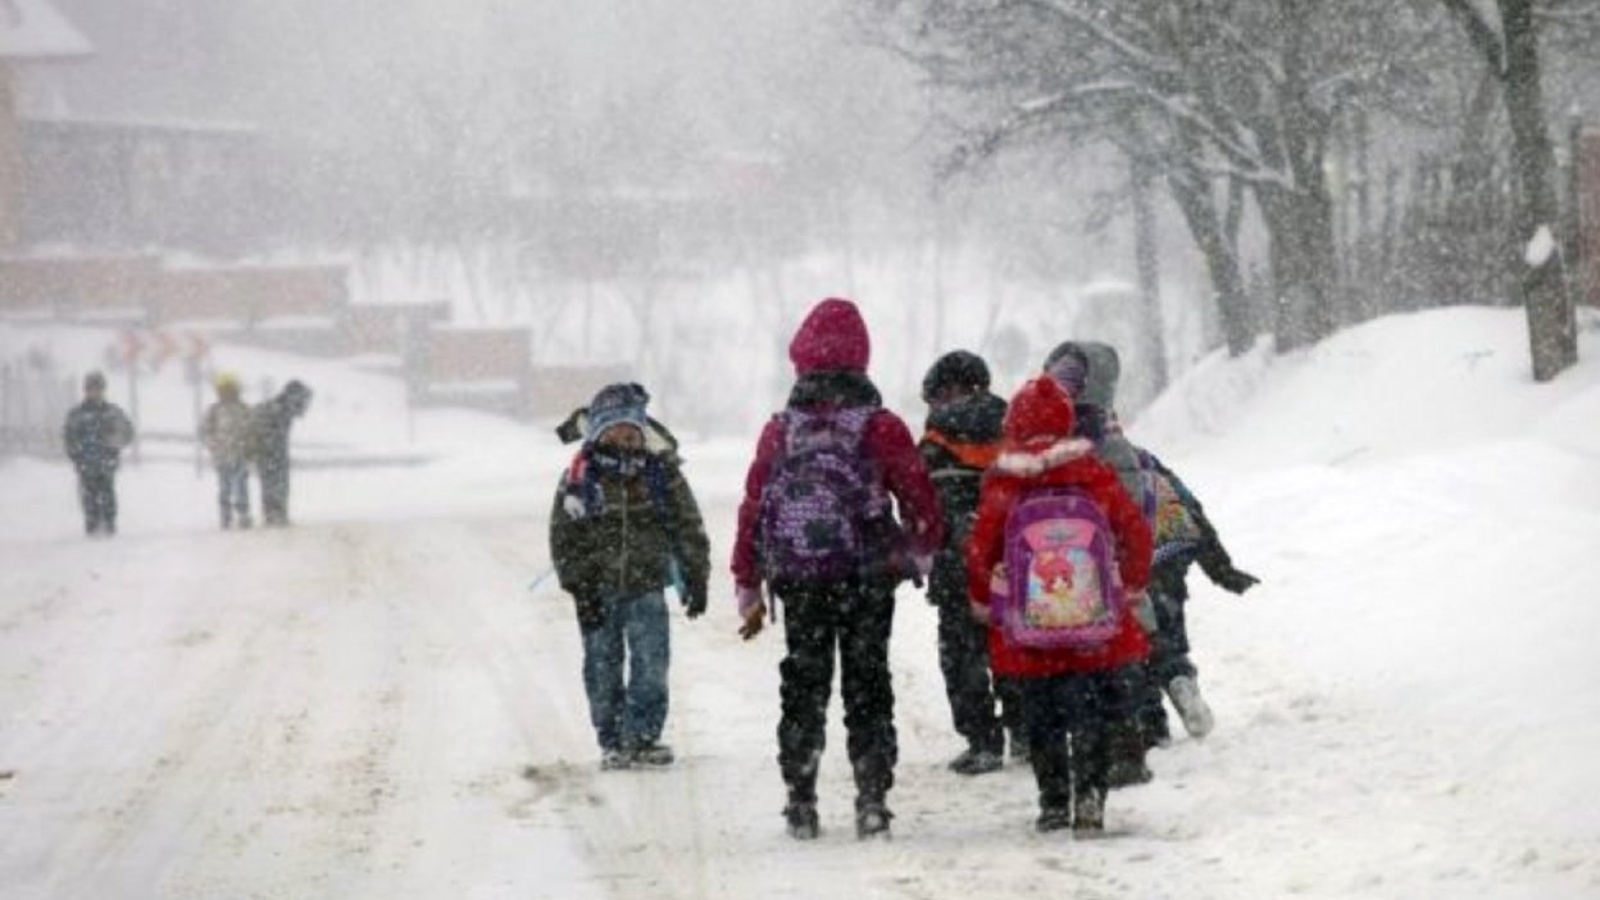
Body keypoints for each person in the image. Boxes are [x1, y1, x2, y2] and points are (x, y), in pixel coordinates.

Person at [731, 297, 943, 841]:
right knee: (867, 682)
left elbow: (755, 505)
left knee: (804, 682)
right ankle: (872, 798)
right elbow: (919, 497)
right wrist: (920, 551)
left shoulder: (780, 430)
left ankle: (800, 799)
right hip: (867, 576)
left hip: (799, 577)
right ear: (862, 360)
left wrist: (747, 580)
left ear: (800, 361)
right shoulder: (882, 426)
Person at [964, 375, 1152, 834]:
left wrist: (983, 598)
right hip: (1093, 623)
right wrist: (1129, 583)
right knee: (1090, 713)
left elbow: (982, 548)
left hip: (1031, 631)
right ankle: (1089, 795)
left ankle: (1052, 801)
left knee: (1042, 715)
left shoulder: (1005, 481)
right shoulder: (1093, 473)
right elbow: (1135, 533)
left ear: (1014, 425)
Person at [549, 382, 710, 771]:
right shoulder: (579, 478)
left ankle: (642, 736)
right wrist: (578, 585)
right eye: (615, 431)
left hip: (647, 586)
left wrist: (696, 575)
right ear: (599, 432)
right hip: (596, 590)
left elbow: (688, 525)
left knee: (651, 664)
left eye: (632, 431)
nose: (625, 438)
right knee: (601, 665)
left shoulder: (660, 474)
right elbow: (564, 536)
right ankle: (612, 738)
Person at [1041, 340, 1159, 787]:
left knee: (1071, 673)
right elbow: (1134, 522)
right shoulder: (1112, 442)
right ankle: (1129, 746)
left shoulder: (1047, 441)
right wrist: (1133, 579)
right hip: (1107, 579)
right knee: (1120, 665)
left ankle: (1076, 762)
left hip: (1059, 578)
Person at [917, 350, 1023, 774]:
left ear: (945, 392)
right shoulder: (1014, 429)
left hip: (955, 566)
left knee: (962, 657)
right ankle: (1027, 732)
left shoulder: (934, 441)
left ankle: (982, 739)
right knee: (1014, 648)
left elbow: (917, 501)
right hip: (1011, 561)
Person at [1136, 452, 1259, 745]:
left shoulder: (1076, 460)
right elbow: (1191, 507)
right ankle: (1179, 677)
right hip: (1168, 555)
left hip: (1121, 564)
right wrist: (1220, 568)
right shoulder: (1142, 459)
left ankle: (1150, 721)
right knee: (1167, 631)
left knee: (1133, 648)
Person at [62, 371, 135, 537]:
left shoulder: (112, 412)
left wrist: (115, 443)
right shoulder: (77, 415)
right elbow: (69, 437)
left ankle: (109, 524)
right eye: (92, 389)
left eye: (98, 388)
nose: (95, 392)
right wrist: (76, 455)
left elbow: (128, 432)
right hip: (86, 464)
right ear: (86, 391)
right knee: (89, 496)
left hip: (106, 463)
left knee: (107, 493)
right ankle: (92, 525)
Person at [249, 379, 312, 527]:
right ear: (294, 398)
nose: (304, 406)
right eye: (302, 401)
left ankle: (275, 515)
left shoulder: (280, 409)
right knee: (275, 484)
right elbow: (264, 434)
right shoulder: (278, 411)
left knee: (274, 484)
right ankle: (275, 516)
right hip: (270, 454)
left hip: (271, 454)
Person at [200, 372, 254, 529]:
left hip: (241, 453)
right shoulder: (214, 410)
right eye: (223, 390)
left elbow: (252, 429)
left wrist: (249, 446)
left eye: (229, 389)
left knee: (241, 484)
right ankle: (226, 515)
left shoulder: (244, 409)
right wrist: (213, 445)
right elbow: (205, 431)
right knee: (225, 487)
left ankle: (242, 513)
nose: (226, 393)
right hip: (222, 455)